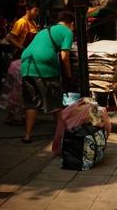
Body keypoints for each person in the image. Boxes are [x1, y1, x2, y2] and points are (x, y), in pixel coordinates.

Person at [20, 11, 76, 144]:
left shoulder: (46, 30)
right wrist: (69, 76)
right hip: (44, 65)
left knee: (31, 102)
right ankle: (62, 134)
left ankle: (27, 135)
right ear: (72, 24)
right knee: (55, 102)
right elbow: (65, 57)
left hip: (27, 63)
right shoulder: (67, 32)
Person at [0, 1, 40, 125]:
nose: (36, 13)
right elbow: (9, 38)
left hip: (29, 59)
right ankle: (11, 116)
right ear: (27, 9)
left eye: (37, 11)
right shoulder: (21, 22)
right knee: (16, 88)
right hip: (19, 59)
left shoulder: (34, 23)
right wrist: (20, 47)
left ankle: (24, 116)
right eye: (35, 10)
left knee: (26, 89)